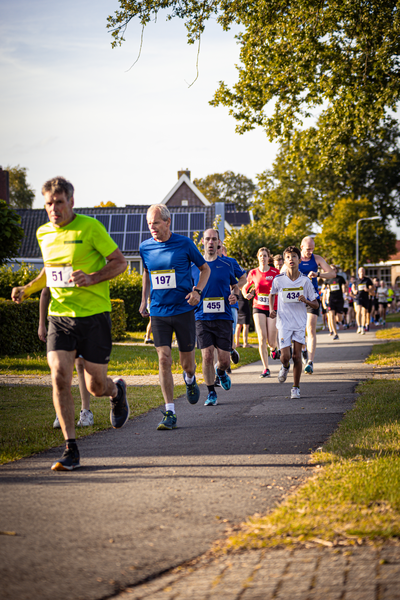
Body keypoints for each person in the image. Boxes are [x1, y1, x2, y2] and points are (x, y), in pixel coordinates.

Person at [11, 176, 129, 471]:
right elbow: (49, 273)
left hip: (94, 317)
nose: (54, 209)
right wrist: (27, 288)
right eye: (48, 203)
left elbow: (120, 262)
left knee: (95, 386)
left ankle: (117, 392)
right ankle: (71, 448)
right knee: (59, 376)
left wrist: (91, 278)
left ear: (71, 202)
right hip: (60, 317)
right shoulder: (42, 233)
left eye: (59, 203)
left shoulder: (90, 228)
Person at [139, 204, 210, 430]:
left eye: (156, 223)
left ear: (168, 222)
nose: (152, 228)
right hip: (159, 311)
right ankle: (170, 412)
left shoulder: (185, 244)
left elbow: (205, 269)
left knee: (187, 364)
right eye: (149, 224)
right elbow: (147, 273)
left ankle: (190, 379)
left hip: (183, 310)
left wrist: (197, 291)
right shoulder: (145, 247)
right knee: (163, 359)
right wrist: (144, 300)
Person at [192, 229, 239, 406]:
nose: (211, 242)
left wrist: (235, 295)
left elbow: (235, 286)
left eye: (214, 239)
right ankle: (211, 392)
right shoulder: (194, 267)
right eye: (207, 239)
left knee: (224, 361)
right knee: (207, 356)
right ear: (203, 242)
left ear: (219, 242)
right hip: (202, 317)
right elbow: (188, 289)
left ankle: (221, 372)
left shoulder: (226, 265)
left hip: (224, 317)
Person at [38, 287, 94, 428]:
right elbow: (45, 292)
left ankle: (86, 412)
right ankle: (61, 412)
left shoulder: (81, 264)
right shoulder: (52, 264)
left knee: (80, 365)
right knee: (61, 367)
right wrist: (41, 324)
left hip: (81, 318)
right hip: (58, 320)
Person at [269, 246, 319, 399]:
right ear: (285, 260)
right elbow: (272, 294)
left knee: (297, 356)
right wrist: (272, 309)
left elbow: (316, 304)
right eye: (288, 257)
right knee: (285, 356)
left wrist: (306, 301)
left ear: (299, 260)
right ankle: (285, 366)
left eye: (294, 257)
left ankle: (295, 387)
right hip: (284, 322)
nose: (291, 259)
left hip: (299, 323)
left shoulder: (305, 281)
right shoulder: (279, 280)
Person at [295, 237, 335, 374]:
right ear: (301, 247)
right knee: (299, 330)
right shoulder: (294, 258)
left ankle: (310, 362)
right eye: (307, 249)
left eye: (312, 248)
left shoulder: (316, 259)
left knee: (310, 328)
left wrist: (318, 274)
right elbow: (281, 274)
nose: (310, 251)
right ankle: (304, 349)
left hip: (312, 298)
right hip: (297, 299)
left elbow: (332, 273)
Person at [242, 247, 280, 378]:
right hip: (258, 306)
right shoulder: (253, 273)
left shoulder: (276, 272)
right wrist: (246, 294)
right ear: (257, 257)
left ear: (268, 258)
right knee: (261, 337)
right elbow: (245, 287)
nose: (263, 258)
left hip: (272, 308)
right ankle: (266, 368)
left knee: (271, 340)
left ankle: (274, 349)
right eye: (260, 256)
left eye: (265, 255)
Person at [217, 244, 247, 365]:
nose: (216, 249)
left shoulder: (230, 262)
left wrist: (233, 287)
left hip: (230, 305)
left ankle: (230, 351)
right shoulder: (204, 262)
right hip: (211, 305)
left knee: (229, 334)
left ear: (224, 251)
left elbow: (243, 279)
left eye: (219, 247)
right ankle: (219, 369)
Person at [324, 265, 346, 340]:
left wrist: (344, 290)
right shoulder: (328, 279)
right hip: (331, 300)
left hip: (339, 299)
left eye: (334, 269)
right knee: (331, 316)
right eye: (331, 269)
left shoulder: (340, 278)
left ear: (336, 270)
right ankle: (335, 333)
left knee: (339, 318)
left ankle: (340, 321)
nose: (332, 270)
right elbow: (324, 288)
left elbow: (344, 286)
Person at [352, 267, 374, 334]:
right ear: (358, 272)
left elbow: (373, 287)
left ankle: (363, 327)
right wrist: (354, 291)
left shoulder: (367, 280)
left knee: (364, 313)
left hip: (365, 298)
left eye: (363, 271)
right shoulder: (356, 280)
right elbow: (353, 287)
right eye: (360, 271)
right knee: (358, 311)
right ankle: (359, 326)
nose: (362, 272)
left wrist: (368, 290)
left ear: (364, 272)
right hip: (358, 297)